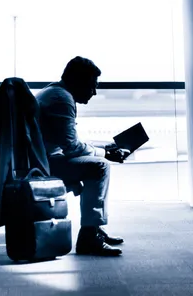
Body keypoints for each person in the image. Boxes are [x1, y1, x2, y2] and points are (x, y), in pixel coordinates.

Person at [35, 56, 129, 257]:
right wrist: (106, 154)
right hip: (44, 165)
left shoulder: (54, 93)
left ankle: (93, 229)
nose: (94, 92)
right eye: (92, 86)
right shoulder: (62, 99)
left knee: (96, 163)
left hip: (41, 159)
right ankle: (89, 236)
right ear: (78, 81)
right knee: (99, 167)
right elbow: (71, 147)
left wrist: (105, 146)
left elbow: (69, 141)